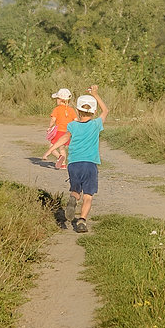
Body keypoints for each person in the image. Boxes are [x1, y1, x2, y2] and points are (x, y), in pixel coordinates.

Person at [61, 84, 108, 233]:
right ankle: (82, 221)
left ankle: (73, 199)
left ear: (77, 111)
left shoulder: (72, 125)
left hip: (74, 164)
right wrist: (95, 94)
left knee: (76, 191)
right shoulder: (96, 124)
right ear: (94, 111)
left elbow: (65, 138)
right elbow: (106, 110)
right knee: (88, 196)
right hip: (90, 164)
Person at [41, 88, 76, 168]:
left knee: (52, 147)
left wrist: (50, 127)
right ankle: (63, 164)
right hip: (67, 132)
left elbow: (53, 119)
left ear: (60, 100)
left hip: (59, 131)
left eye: (57, 99)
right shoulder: (71, 110)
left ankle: (59, 157)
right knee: (62, 148)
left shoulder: (57, 109)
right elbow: (76, 120)